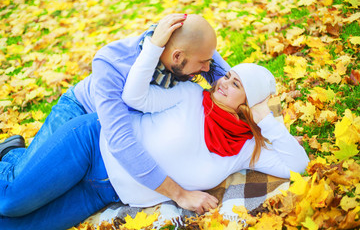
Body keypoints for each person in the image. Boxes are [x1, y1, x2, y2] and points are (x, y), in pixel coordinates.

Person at [0, 37, 309, 229]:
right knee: (10, 202)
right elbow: (134, 96)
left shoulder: (243, 148)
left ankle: (15, 155)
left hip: (104, 191)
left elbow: (296, 165)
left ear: (249, 104)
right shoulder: (189, 95)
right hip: (91, 145)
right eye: (226, 76)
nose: (222, 82)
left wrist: (266, 120)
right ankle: (9, 157)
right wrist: (153, 46)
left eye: (235, 85)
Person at [1, 14, 231, 213]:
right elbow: (120, 140)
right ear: (177, 57)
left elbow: (230, 81)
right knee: (16, 191)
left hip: (107, 139)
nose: (207, 70)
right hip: (80, 114)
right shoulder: (111, 62)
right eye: (203, 63)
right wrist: (179, 194)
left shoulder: (188, 46)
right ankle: (10, 155)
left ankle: (14, 152)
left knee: (38, 192)